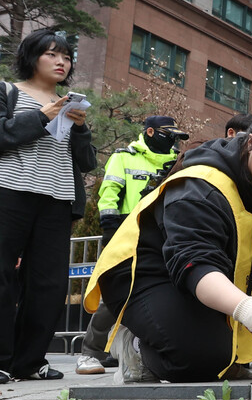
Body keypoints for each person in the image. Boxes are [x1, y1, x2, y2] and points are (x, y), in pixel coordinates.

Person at [84, 106, 252, 383]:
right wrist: (246, 308)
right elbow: (195, 264)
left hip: (210, 274)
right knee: (203, 359)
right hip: (147, 274)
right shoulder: (201, 188)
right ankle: (138, 348)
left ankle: (219, 348)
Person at [0, 29, 98, 384]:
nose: (61, 62)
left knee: (48, 284)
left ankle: (28, 360)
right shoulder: (4, 91)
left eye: (66, 57)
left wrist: (79, 128)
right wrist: (41, 116)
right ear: (32, 57)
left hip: (55, 200)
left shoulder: (70, 104)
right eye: (52, 54)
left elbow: (86, 162)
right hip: (3, 194)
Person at [76, 115, 189, 374]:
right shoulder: (124, 157)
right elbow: (109, 193)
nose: (173, 140)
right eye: (167, 134)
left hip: (166, 235)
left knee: (163, 294)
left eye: (176, 136)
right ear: (150, 132)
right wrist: (110, 230)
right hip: (127, 234)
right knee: (114, 295)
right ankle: (90, 353)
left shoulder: (178, 162)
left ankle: (138, 355)